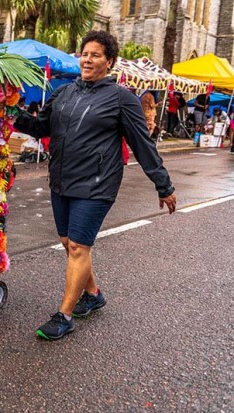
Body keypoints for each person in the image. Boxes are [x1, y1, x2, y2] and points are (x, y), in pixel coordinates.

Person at [14, 30, 176, 341]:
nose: (87, 60)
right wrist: (11, 112)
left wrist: (163, 184)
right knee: (68, 242)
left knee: (78, 246)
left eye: (96, 55)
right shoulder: (63, 93)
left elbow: (142, 144)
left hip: (97, 184)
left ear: (109, 62)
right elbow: (41, 127)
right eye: (85, 54)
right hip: (62, 179)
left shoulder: (122, 99)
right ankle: (93, 294)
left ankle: (64, 316)